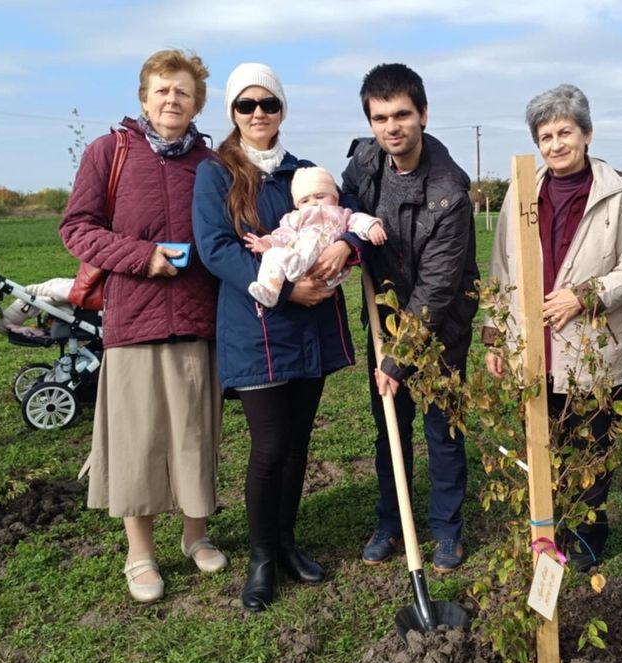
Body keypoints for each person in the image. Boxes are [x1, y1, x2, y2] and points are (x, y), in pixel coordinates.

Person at [193, 63, 361, 612]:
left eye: (269, 104)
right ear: (233, 114)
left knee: (297, 444)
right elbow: (216, 248)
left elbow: (344, 222)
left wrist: (349, 250)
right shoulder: (216, 173)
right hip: (257, 324)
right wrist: (287, 292)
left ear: (282, 110)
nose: (259, 114)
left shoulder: (306, 171)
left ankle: (287, 542)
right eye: (247, 105)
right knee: (269, 447)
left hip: (308, 333)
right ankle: (261, 557)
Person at [59, 48, 224, 604]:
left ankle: (196, 536)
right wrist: (142, 256)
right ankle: (140, 554)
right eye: (162, 89)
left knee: (194, 434)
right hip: (133, 320)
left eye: (183, 91)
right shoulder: (111, 152)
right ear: (144, 98)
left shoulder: (214, 163)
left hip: (199, 320)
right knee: (139, 441)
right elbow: (77, 229)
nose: (172, 98)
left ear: (197, 101)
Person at [483, 84, 622, 572]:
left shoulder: (620, 191)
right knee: (541, 442)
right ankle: (547, 526)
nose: (555, 144)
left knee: (591, 443)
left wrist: (584, 295)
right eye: (545, 135)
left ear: (587, 134)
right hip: (531, 347)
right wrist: (495, 333)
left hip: (592, 347)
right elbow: (501, 267)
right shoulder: (523, 190)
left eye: (565, 132)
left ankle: (588, 531)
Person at [341, 63, 479, 574]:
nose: (391, 126)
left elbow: (437, 288)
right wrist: (352, 227)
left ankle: (447, 531)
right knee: (389, 429)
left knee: (442, 430)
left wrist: (399, 359)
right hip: (383, 317)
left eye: (402, 114)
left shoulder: (448, 192)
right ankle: (391, 521)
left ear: (422, 113)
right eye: (380, 117)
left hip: (440, 327)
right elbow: (346, 199)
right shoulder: (365, 160)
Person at [244, 166, 386, 307]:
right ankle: (270, 291)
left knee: (309, 247)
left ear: (335, 199)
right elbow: (284, 235)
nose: (313, 202)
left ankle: (294, 269)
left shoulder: (342, 214)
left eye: (320, 196)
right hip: (297, 256)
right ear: (297, 205)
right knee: (272, 255)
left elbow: (358, 219)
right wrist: (268, 243)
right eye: (305, 201)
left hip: (327, 267)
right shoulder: (295, 218)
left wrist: (372, 226)